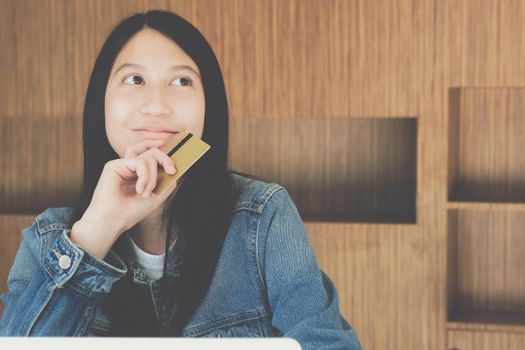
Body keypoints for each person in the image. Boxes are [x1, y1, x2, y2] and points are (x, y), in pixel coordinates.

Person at [0, 9, 362, 349]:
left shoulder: (264, 217)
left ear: (209, 106)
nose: (157, 105)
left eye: (182, 80)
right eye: (134, 79)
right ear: (101, 103)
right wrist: (98, 229)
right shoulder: (50, 239)